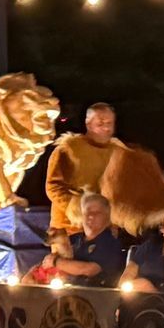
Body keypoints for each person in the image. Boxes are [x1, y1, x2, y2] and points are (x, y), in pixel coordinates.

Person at [45, 102, 122, 238]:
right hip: (69, 229)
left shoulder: (118, 153)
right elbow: (53, 186)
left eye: (109, 123)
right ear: (89, 123)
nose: (106, 127)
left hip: (104, 230)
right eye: (100, 123)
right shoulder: (69, 149)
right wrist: (82, 210)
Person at [40, 192, 124, 283]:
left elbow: (89, 270)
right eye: (87, 211)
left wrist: (56, 262)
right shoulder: (74, 239)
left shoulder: (110, 243)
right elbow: (50, 261)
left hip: (96, 293)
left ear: (107, 217)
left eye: (97, 213)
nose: (91, 216)